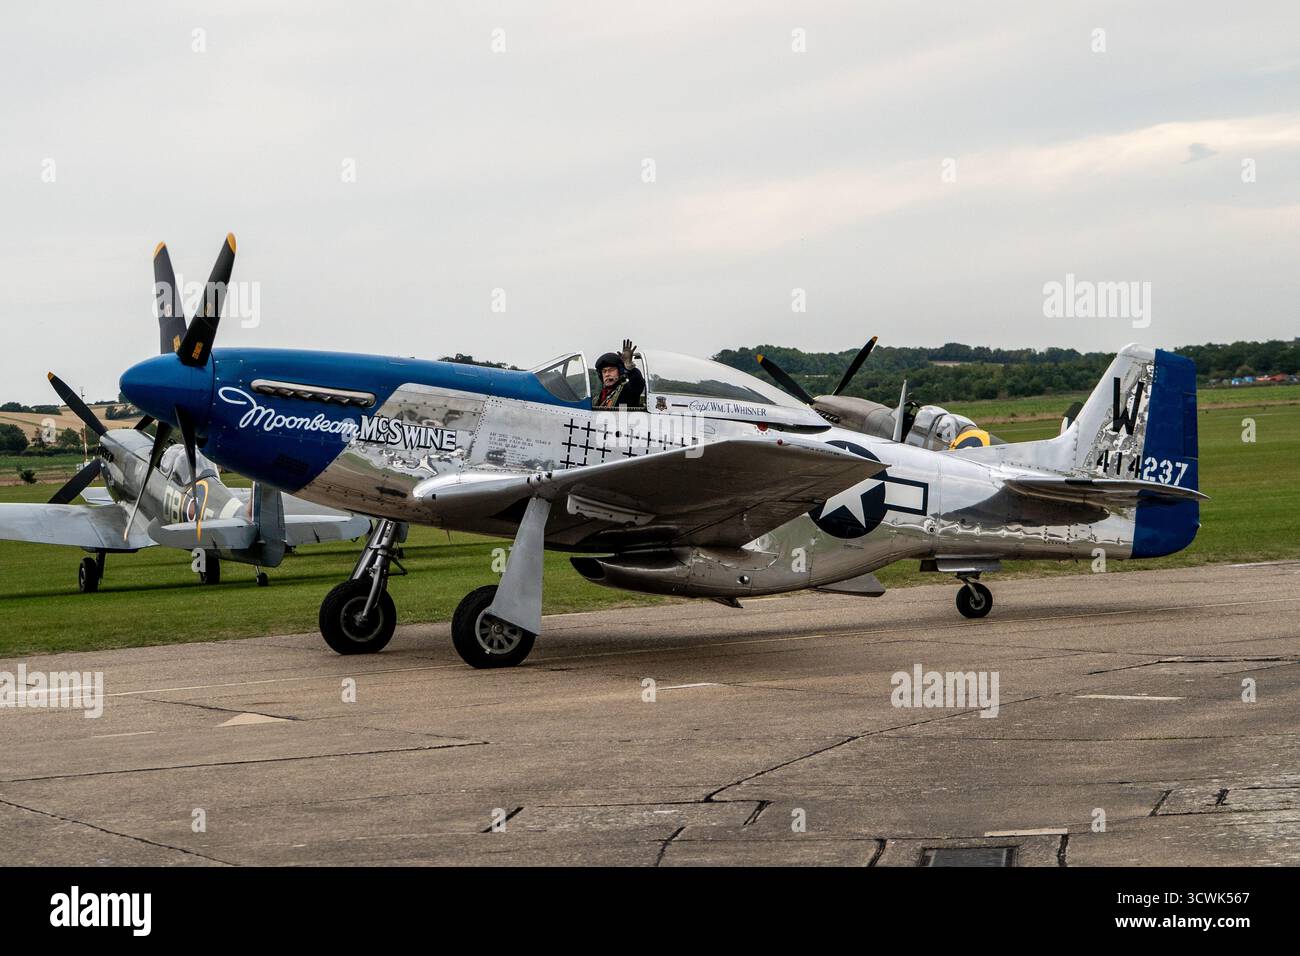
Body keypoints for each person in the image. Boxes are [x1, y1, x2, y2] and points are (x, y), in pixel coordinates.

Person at [592, 339, 646, 410]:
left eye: (611, 370)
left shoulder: (627, 390)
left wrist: (630, 367)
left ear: (620, 372)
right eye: (604, 371)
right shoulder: (597, 398)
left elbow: (638, 384)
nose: (607, 374)